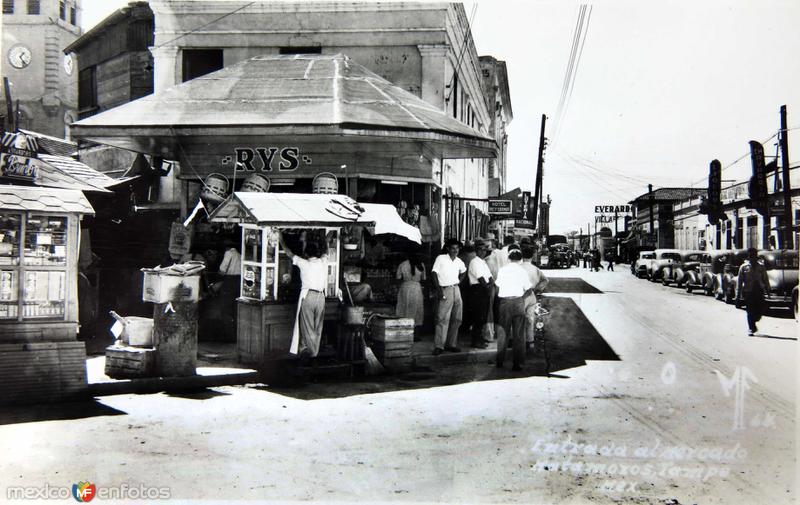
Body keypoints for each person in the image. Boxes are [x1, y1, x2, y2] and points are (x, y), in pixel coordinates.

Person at [279, 233, 328, 360]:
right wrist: (328, 235)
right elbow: (326, 250)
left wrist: (281, 240)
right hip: (321, 297)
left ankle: (311, 353)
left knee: (307, 326)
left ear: (306, 254)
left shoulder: (304, 263)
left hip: (309, 296)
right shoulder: (323, 261)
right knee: (318, 326)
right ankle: (313, 351)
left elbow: (289, 254)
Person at [494, 249, 533, 371]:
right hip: (518, 302)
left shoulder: (502, 270)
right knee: (519, 334)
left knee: (503, 333)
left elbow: (497, 286)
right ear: (521, 259)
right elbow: (529, 289)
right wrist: (522, 298)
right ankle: (518, 363)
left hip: (505, 302)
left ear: (508, 258)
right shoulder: (522, 271)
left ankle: (500, 361)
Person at [430, 238, 467, 355]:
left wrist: (459, 281)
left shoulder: (459, 261)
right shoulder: (441, 258)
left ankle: (451, 344)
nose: (455, 250)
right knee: (442, 318)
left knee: (457, 318)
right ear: (448, 249)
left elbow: (464, 271)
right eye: (453, 248)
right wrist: (439, 290)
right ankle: (439, 346)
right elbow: (434, 273)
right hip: (445, 289)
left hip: (456, 289)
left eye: (457, 248)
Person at [464, 242, 493, 349]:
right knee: (478, 317)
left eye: (484, 250)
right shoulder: (474, 262)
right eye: (480, 249)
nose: (483, 252)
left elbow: (490, 277)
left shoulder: (483, 262)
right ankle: (475, 341)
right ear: (476, 251)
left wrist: (490, 286)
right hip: (477, 290)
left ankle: (480, 339)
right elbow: (480, 279)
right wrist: (488, 287)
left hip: (485, 290)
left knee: (483, 317)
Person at [520, 247, 549, 348]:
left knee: (518, 319)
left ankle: (518, 341)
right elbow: (545, 280)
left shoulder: (519, 267)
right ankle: (530, 341)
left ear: (522, 256)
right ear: (532, 256)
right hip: (532, 294)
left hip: (521, 295)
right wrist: (537, 289)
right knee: (530, 318)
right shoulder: (535, 269)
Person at [736, 248, 769, 336]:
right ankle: (751, 328)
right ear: (749, 257)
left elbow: (765, 279)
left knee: (759, 311)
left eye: (754, 256)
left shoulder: (761, 267)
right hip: (748, 291)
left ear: (756, 256)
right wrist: (737, 296)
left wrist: (768, 291)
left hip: (759, 291)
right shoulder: (743, 267)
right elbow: (739, 282)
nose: (752, 257)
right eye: (751, 256)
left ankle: (754, 321)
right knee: (750, 310)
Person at [395, 252, 426, 336]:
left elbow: (398, 277)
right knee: (417, 310)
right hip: (416, 288)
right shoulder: (421, 265)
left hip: (405, 287)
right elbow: (424, 278)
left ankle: (405, 332)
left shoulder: (403, 264)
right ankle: (415, 334)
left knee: (404, 309)